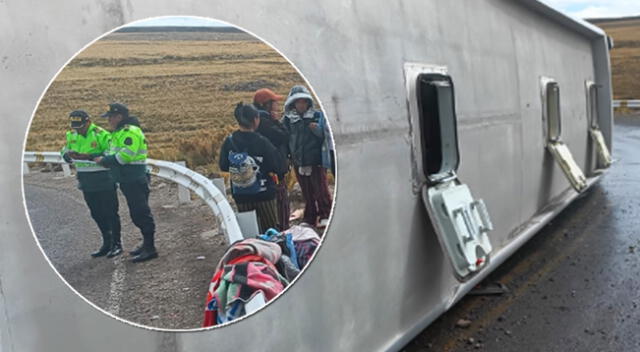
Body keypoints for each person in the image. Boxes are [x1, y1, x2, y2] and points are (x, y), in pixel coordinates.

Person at [93, 103, 157, 263]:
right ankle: (146, 245)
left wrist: (104, 160)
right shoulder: (119, 132)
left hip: (134, 178)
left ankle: (150, 248)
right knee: (137, 213)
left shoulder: (130, 132)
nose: (108, 121)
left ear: (119, 117)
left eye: (110, 117)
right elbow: (113, 152)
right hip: (127, 179)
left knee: (141, 213)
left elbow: (124, 157)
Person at [61, 110, 122, 258]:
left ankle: (117, 244)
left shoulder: (101, 134)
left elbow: (110, 153)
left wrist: (89, 156)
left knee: (110, 212)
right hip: (85, 179)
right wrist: (67, 155)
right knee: (96, 213)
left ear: (88, 122)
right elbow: (64, 150)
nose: (78, 129)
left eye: (80, 126)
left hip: (103, 177)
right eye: (75, 126)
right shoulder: (72, 135)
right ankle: (106, 242)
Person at [219, 103, 287, 234]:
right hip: (264, 194)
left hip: (241, 195)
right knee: (270, 232)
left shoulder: (229, 141)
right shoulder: (262, 142)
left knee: (249, 233)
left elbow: (223, 165)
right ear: (256, 119)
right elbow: (279, 166)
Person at [282, 85, 333, 229]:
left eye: (304, 101)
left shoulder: (317, 116)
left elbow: (326, 136)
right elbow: (284, 139)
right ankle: (310, 216)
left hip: (316, 160)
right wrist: (287, 156)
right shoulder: (288, 120)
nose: (301, 105)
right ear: (293, 103)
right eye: (298, 102)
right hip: (298, 161)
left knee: (321, 189)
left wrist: (317, 131)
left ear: (308, 102)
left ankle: (326, 214)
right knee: (307, 191)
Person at [253, 88, 290, 230]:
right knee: (280, 204)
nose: (277, 105)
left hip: (264, 171)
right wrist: (277, 122)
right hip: (274, 170)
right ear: (266, 104)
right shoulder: (265, 122)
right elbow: (284, 136)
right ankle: (282, 232)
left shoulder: (257, 119)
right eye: (274, 102)